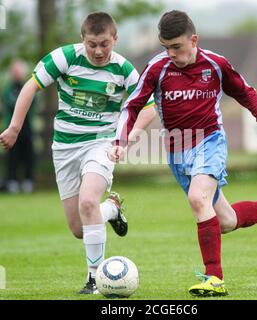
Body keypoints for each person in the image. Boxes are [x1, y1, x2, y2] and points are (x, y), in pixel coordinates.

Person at [110, 10, 257, 297]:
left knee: (198, 199)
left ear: (193, 40)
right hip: (176, 149)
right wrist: (121, 140)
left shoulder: (215, 64)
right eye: (166, 47)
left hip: (210, 142)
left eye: (177, 47)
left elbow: (245, 92)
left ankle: (214, 278)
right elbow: (132, 105)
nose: (171, 53)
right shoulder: (157, 68)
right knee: (226, 221)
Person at [0, 12, 156, 294]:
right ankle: (112, 209)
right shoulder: (64, 58)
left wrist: (127, 137)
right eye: (92, 44)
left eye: (105, 44)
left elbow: (148, 107)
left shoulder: (124, 70)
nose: (98, 51)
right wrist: (14, 128)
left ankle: (95, 279)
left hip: (101, 144)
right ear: (82, 39)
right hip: (64, 148)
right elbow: (29, 87)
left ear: (115, 39)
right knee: (79, 228)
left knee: (87, 204)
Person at [1, 60, 36, 193]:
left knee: (28, 155)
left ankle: (28, 181)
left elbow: (32, 104)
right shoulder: (8, 89)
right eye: (15, 71)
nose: (17, 74)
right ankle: (12, 182)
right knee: (12, 157)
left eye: (19, 71)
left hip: (27, 128)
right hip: (11, 127)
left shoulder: (29, 86)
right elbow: (10, 103)